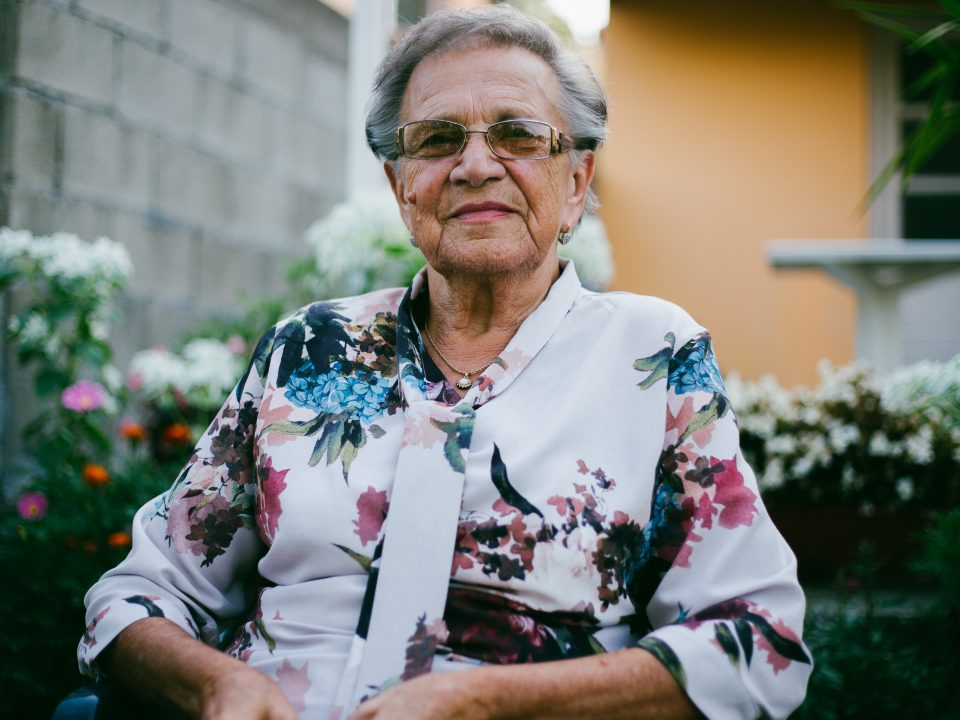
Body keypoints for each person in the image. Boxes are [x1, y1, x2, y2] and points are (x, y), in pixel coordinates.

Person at [78, 6, 811, 719]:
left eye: (518, 134)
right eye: (435, 139)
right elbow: (139, 594)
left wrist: (489, 702)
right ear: (402, 189)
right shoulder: (309, 346)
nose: (474, 165)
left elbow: (755, 640)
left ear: (578, 183)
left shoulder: (652, 356)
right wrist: (216, 689)